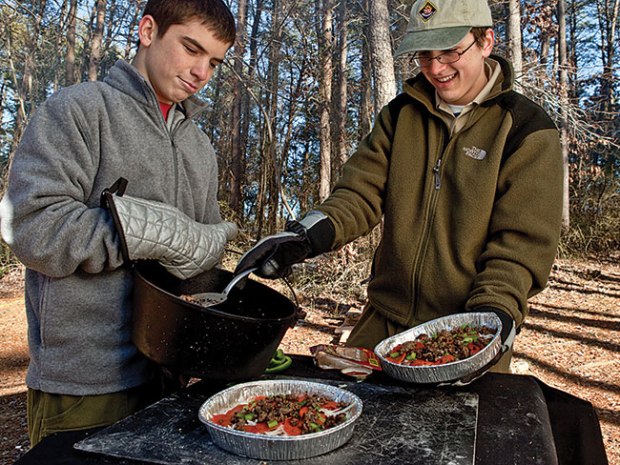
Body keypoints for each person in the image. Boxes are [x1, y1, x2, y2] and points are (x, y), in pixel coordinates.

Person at [235, 0, 563, 374]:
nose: (436, 69)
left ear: (486, 41)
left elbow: (520, 245)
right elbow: (359, 194)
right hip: (383, 323)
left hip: (466, 330)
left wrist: (491, 315)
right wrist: (306, 236)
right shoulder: (400, 114)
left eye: (451, 51)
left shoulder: (525, 129)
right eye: (424, 55)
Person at [0, 0, 238, 446]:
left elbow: (194, 266)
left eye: (214, 62)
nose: (201, 71)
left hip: (168, 380)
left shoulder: (200, 148)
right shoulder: (78, 111)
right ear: (148, 30)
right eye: (191, 48)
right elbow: (31, 226)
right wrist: (150, 232)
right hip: (86, 385)